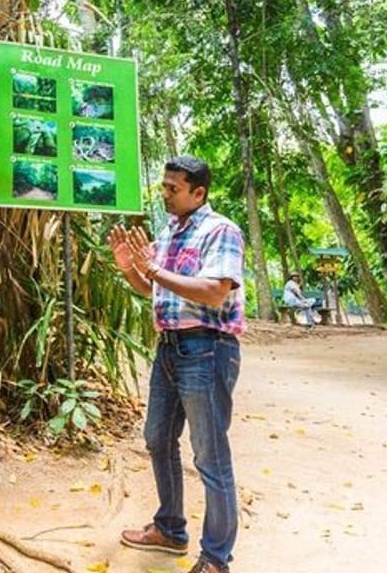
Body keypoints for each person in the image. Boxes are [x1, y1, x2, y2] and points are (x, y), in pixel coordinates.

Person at [109, 155, 244, 573]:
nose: (164, 194)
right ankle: (171, 528)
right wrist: (131, 268)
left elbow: (213, 291)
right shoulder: (169, 231)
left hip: (206, 349)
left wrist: (152, 269)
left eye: (173, 188)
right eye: (164, 186)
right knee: (157, 438)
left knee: (209, 454)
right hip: (169, 348)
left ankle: (216, 558)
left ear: (198, 192)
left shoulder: (220, 230)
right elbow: (153, 288)